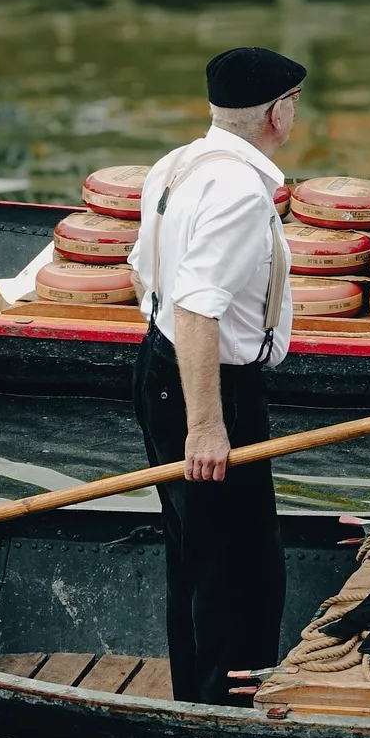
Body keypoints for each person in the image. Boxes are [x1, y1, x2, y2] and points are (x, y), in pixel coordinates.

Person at [128, 46, 299, 705]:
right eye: (295, 104)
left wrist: (169, 371)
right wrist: (206, 424)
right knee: (241, 569)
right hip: (210, 386)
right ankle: (224, 714)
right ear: (277, 113)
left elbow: (141, 270)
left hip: (162, 367)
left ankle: (197, 697)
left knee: (197, 555)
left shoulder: (176, 164)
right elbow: (198, 307)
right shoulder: (239, 192)